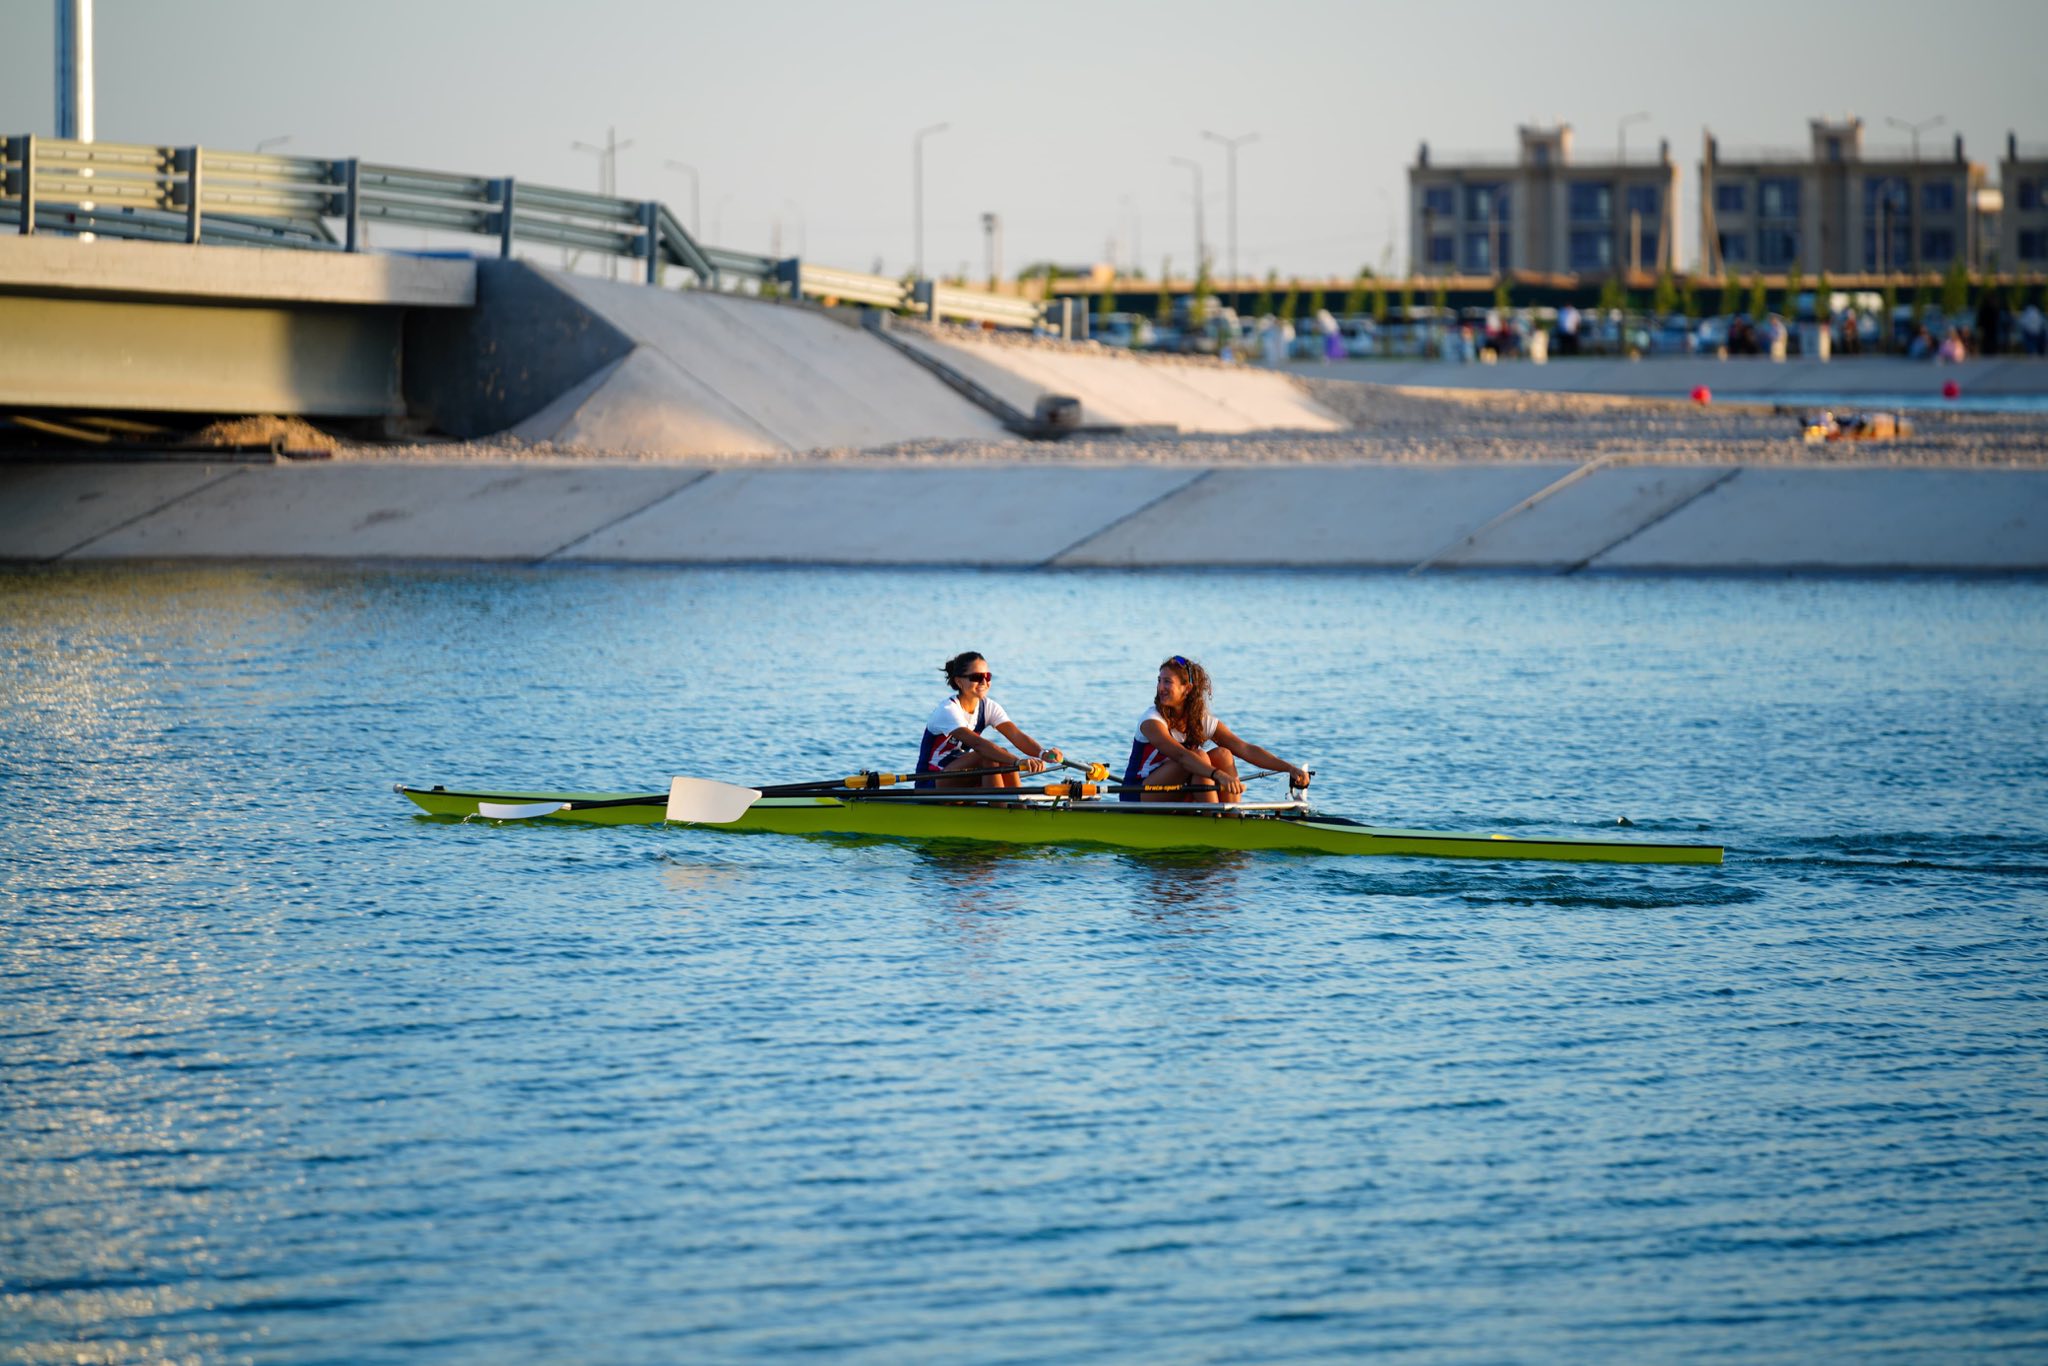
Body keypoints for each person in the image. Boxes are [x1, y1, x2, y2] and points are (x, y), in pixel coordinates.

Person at [1121, 654, 1309, 804]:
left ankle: (1230, 814)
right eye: (1159, 680)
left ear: (1187, 689)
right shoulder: (1151, 720)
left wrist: (1289, 768)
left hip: (1176, 792)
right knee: (1199, 757)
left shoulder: (1200, 721)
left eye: (1167, 682)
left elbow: (1245, 749)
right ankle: (1216, 818)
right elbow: (1181, 757)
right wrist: (1218, 776)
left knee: (1224, 754)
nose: (1160, 687)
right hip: (1139, 794)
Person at [916, 652, 1058, 789]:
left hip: (961, 776)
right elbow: (979, 745)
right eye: (976, 677)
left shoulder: (988, 707)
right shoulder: (948, 710)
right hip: (930, 782)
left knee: (1002, 756)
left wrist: (1043, 754)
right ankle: (1003, 809)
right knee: (991, 756)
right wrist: (1018, 761)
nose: (984, 682)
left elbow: (1016, 735)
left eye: (987, 676)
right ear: (959, 681)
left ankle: (1017, 807)